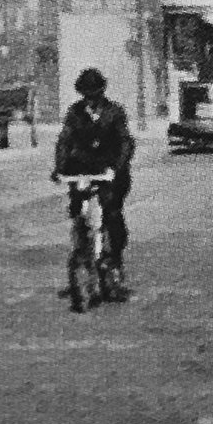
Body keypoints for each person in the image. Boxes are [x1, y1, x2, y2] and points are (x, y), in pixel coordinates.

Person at [51, 67, 135, 299]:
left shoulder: (114, 112)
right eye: (87, 95)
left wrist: (118, 168)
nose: (91, 99)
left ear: (101, 93)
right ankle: (81, 262)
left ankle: (114, 266)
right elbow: (64, 141)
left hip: (109, 172)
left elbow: (125, 142)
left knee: (112, 214)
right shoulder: (75, 113)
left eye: (95, 94)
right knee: (78, 213)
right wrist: (59, 168)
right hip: (82, 170)